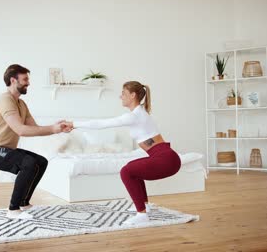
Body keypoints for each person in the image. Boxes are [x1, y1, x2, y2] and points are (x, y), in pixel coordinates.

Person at [62, 81, 181, 225]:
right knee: (133, 168)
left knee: (126, 171)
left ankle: (142, 215)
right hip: (168, 158)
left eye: (123, 93)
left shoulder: (135, 116)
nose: (120, 96)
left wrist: (73, 124)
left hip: (166, 159)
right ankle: (145, 206)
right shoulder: (139, 113)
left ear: (133, 95)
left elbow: (101, 124)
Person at [0, 64, 67, 219]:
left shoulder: (21, 104)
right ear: (13, 80)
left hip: (6, 149)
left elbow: (34, 128)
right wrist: (53, 129)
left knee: (40, 161)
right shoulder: (4, 100)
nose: (28, 83)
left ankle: (24, 203)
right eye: (25, 79)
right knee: (29, 163)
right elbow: (21, 130)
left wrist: (57, 126)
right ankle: (13, 209)